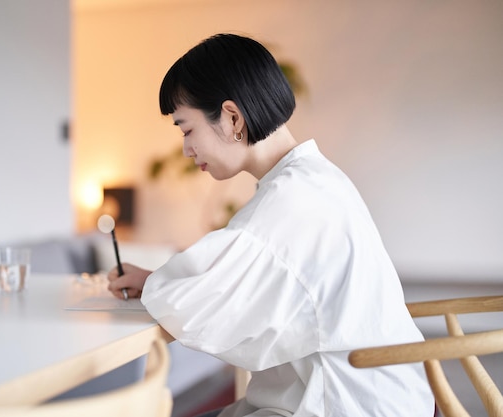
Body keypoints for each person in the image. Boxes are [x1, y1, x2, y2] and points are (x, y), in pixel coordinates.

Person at [107, 33, 434, 417]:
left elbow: (195, 310)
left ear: (232, 118)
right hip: (375, 395)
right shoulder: (312, 179)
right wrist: (158, 281)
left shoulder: (291, 199)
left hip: (344, 404)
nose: (186, 149)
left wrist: (160, 286)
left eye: (187, 129)